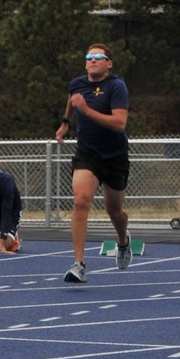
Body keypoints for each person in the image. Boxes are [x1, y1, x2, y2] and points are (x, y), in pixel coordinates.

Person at [55, 43, 131, 284]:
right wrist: (66, 122)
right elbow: (72, 99)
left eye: (99, 57)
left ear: (108, 63)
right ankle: (79, 264)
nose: (92, 60)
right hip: (87, 154)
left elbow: (120, 124)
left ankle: (123, 241)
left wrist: (86, 111)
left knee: (115, 211)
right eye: (89, 57)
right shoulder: (77, 84)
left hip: (115, 157)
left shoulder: (116, 87)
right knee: (81, 200)